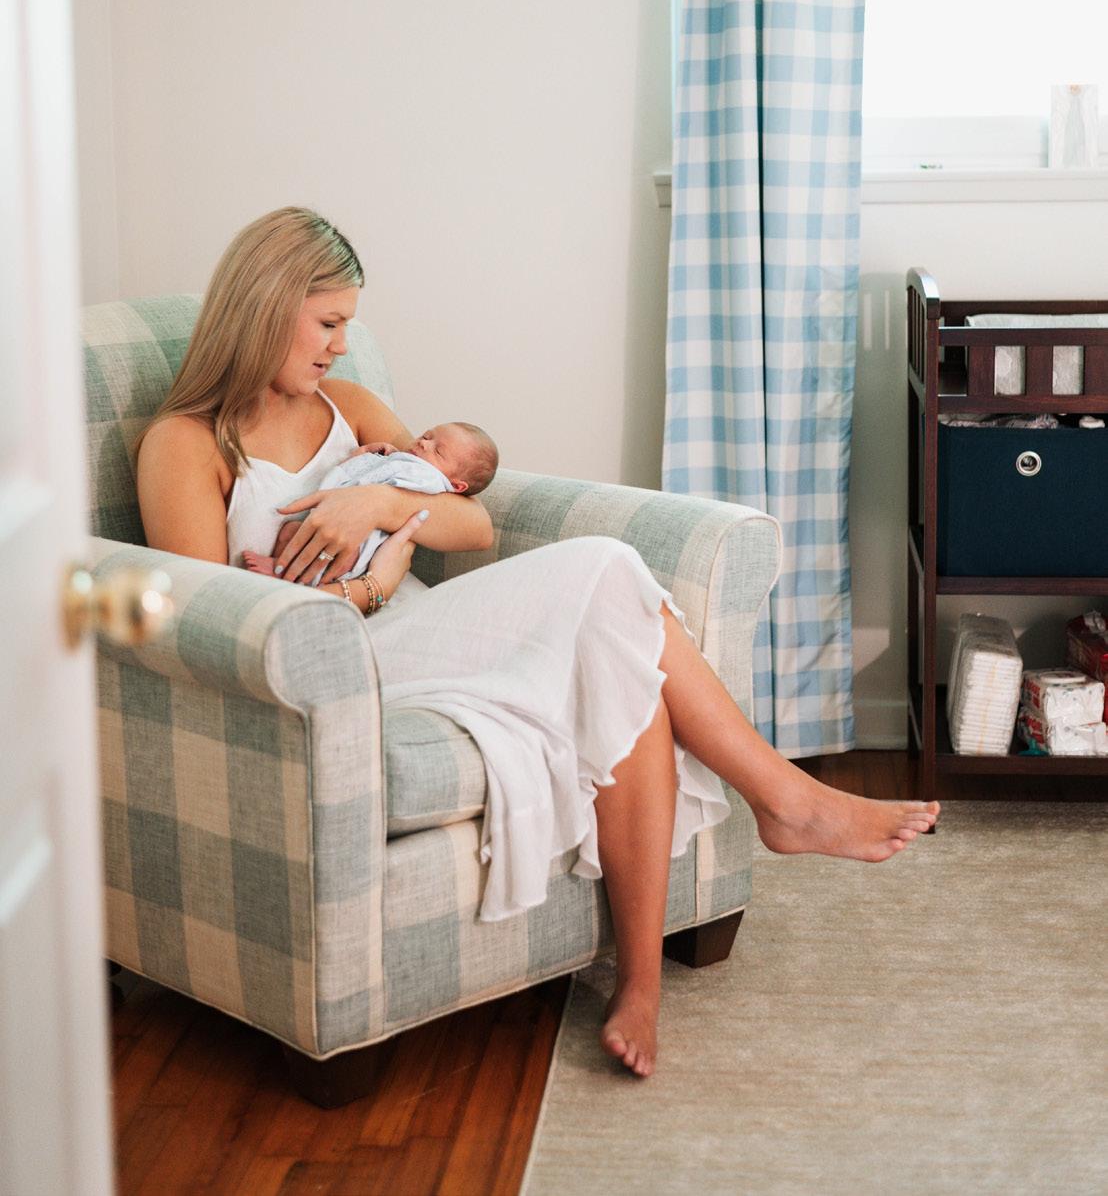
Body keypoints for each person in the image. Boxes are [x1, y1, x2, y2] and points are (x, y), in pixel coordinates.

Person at [135, 206, 940, 1080]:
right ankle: (783, 798)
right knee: (609, 576)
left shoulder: (349, 408)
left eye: (347, 325)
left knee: (616, 646)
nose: (340, 345)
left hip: (412, 623)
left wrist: (379, 503)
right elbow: (211, 624)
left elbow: (470, 522)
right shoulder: (184, 444)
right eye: (327, 323)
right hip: (336, 664)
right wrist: (362, 588)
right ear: (266, 304)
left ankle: (641, 981)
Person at [240, 421, 498, 585]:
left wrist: (379, 499)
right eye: (427, 435)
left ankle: (291, 576)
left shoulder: (428, 478)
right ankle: (281, 567)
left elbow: (478, 530)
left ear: (457, 486)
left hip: (362, 544)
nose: (423, 442)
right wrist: (363, 457)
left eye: (438, 450)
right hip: (328, 521)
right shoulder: (403, 460)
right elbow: (358, 477)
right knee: (290, 532)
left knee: (342, 552)